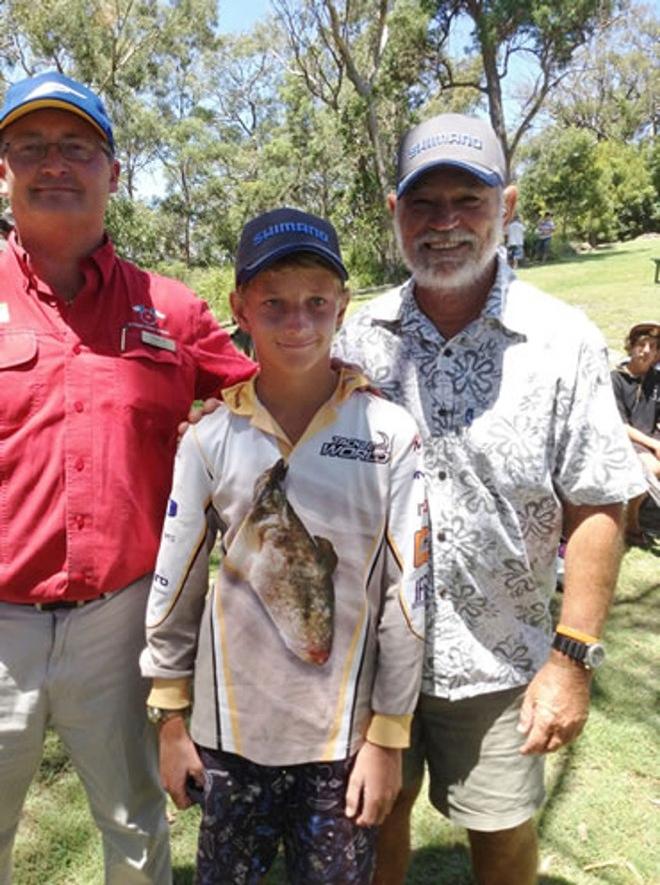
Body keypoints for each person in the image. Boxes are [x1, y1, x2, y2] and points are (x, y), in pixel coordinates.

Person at [333, 112, 645, 885]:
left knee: (502, 833)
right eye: (423, 203)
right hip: (371, 658)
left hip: (503, 659)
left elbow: (602, 503)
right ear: (394, 213)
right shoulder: (358, 338)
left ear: (506, 205)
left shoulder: (562, 339)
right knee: (373, 821)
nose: (445, 224)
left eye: (466, 201)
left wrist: (572, 658)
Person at [0, 71, 255, 885]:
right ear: (1, 171)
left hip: (122, 619)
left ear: (114, 171)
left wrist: (366, 393)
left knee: (136, 825)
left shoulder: (171, 310)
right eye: (31, 147)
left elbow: (266, 397)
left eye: (77, 147)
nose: (55, 164)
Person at [140, 207, 428, 885]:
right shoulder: (210, 438)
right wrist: (172, 719)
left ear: (342, 306)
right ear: (240, 306)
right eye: (273, 303)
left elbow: (406, 596)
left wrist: (387, 737)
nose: (297, 321)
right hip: (227, 743)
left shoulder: (389, 432)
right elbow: (175, 583)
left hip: (342, 744)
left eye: (316, 302)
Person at [611, 321, 660, 547]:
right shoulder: (615, 379)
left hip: (652, 438)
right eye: (642, 344)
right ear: (630, 346)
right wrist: (654, 444)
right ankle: (631, 523)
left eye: (654, 346)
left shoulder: (656, 379)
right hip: (625, 441)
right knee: (652, 466)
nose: (647, 351)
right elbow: (620, 426)